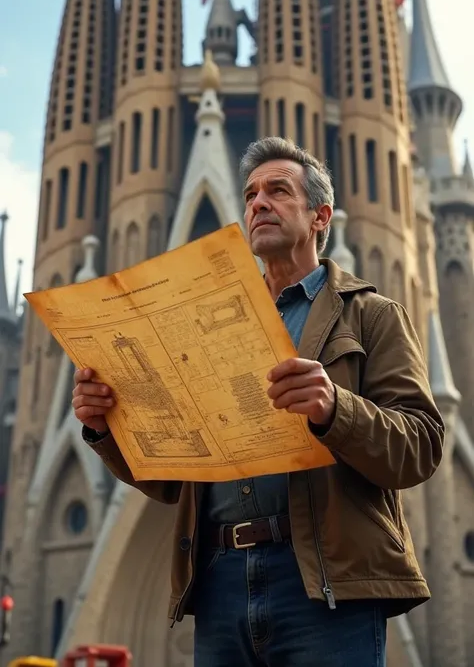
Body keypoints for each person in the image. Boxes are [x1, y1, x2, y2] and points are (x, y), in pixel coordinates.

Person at [73, 137, 444, 667]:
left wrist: (335, 409)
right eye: (250, 195)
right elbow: (171, 478)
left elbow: (421, 446)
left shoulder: (371, 314)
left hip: (323, 583)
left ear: (320, 216)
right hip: (220, 580)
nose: (258, 204)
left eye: (277, 190)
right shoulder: (205, 327)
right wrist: (105, 426)